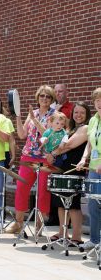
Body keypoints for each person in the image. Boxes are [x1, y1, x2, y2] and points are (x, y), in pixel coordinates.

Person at [6, 85, 55, 234]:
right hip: (28, 156)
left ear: (51, 99)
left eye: (48, 96)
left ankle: (39, 225)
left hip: (44, 158)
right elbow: (21, 135)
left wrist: (35, 120)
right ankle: (18, 223)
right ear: (37, 97)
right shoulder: (32, 113)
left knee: (42, 191)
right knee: (21, 188)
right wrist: (20, 118)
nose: (44, 99)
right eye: (42, 96)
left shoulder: (55, 114)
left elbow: (49, 136)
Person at [46, 102, 91, 244]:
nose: (78, 115)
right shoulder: (70, 128)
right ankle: (62, 233)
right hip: (63, 169)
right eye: (76, 112)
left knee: (73, 204)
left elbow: (69, 145)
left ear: (87, 114)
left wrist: (53, 153)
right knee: (60, 202)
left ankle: (77, 237)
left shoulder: (85, 128)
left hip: (75, 170)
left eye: (82, 112)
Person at [77, 88, 101, 250]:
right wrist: (84, 157)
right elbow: (90, 143)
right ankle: (94, 240)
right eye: (97, 100)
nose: (99, 103)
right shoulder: (93, 120)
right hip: (94, 168)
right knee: (93, 205)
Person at [47, 83, 74, 226]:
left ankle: (66, 222)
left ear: (66, 93)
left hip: (64, 151)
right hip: (52, 152)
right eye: (56, 92)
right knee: (54, 185)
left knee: (64, 186)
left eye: (61, 91)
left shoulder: (71, 108)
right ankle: (53, 218)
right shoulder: (52, 109)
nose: (58, 94)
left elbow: (70, 129)